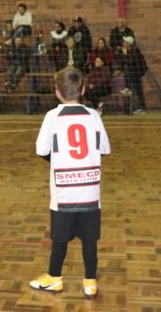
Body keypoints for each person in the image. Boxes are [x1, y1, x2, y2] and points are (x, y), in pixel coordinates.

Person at [30, 67, 110, 297]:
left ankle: (54, 277)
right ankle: (90, 281)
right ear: (83, 89)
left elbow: (41, 150)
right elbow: (104, 148)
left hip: (63, 190)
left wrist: (58, 160)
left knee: (59, 237)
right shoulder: (93, 115)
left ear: (57, 92)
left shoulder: (52, 117)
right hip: (90, 190)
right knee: (90, 239)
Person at [117, 36, 147, 114]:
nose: (123, 43)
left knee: (139, 90)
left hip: (137, 73)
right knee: (138, 90)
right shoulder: (129, 51)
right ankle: (128, 88)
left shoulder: (135, 50)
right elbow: (124, 62)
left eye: (124, 42)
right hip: (133, 73)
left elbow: (130, 62)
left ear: (129, 44)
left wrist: (125, 54)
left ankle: (142, 108)